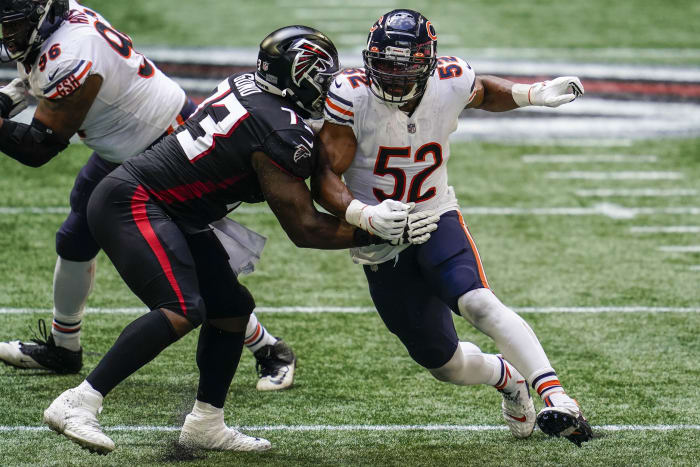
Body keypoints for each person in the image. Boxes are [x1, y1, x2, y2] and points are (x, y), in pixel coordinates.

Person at [42, 25, 438, 454]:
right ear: (299, 76)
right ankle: (80, 401)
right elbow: (304, 228)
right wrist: (375, 227)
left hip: (172, 208)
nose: (328, 87)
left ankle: (206, 424)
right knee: (181, 308)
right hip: (137, 202)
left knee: (231, 309)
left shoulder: (247, 85)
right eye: (321, 78)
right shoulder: (281, 132)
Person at [312, 9, 593, 446]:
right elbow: (325, 174)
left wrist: (531, 93)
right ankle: (507, 377)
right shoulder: (352, 94)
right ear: (369, 60)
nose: (394, 78)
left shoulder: (450, 78)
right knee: (442, 364)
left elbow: (483, 91)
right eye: (385, 66)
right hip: (381, 237)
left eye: (405, 69)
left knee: (479, 302)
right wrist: (362, 215)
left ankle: (558, 397)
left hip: (435, 214)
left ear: (428, 65)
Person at [0, 0, 295, 391]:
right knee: (75, 238)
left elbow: (38, 146)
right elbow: (37, 77)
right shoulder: (60, 26)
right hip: (127, 144)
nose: (8, 35)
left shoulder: (70, 54)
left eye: (15, 25)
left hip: (169, 148)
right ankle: (64, 346)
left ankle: (269, 348)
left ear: (43, 16)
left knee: (188, 266)